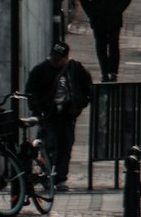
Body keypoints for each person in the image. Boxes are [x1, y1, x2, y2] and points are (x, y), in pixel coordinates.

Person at [24, 41, 92, 189]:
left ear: (65, 58)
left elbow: (88, 85)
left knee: (65, 146)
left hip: (67, 115)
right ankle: (49, 176)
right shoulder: (40, 70)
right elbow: (31, 91)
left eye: (58, 59)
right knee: (50, 146)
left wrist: (82, 102)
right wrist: (37, 110)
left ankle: (60, 178)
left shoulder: (74, 69)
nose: (55, 62)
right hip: (48, 115)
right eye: (53, 58)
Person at [79, 0, 133, 82]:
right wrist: (91, 13)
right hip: (98, 18)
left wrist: (118, 9)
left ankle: (113, 72)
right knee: (101, 46)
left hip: (113, 17)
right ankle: (104, 72)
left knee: (114, 45)